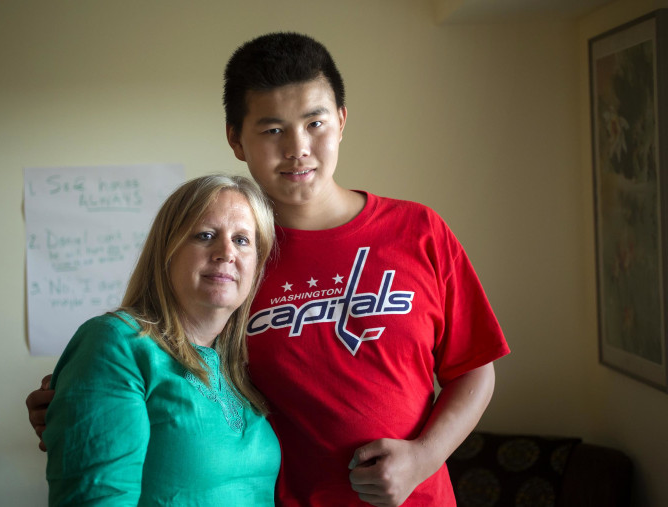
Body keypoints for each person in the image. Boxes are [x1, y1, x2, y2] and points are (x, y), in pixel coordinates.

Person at [28, 33, 510, 506]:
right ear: (236, 139)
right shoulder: (235, 261)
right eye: (273, 129)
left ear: (341, 121)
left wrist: (423, 458)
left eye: (315, 123)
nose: (298, 147)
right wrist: (80, 399)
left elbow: (474, 371)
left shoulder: (419, 230)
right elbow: (177, 364)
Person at [42, 174, 280, 506]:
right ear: (167, 251)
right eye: (205, 235)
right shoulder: (117, 342)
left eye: (242, 240)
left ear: (257, 265)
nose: (226, 252)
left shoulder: (239, 366)